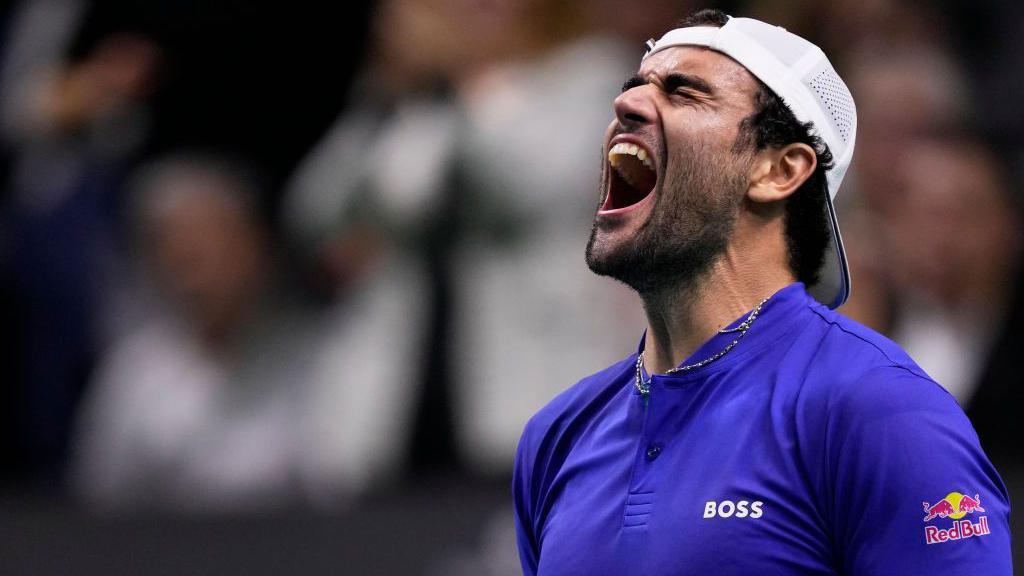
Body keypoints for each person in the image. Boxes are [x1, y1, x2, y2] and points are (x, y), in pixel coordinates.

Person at [512, 9, 1012, 575]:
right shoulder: (558, 435)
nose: (625, 105)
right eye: (634, 87)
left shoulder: (882, 411)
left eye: (684, 93)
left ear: (780, 170)